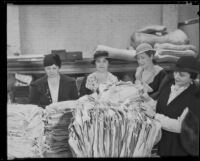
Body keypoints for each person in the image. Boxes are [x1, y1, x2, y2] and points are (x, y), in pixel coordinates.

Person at [143, 56, 200, 156]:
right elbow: (162, 107)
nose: (176, 77)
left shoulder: (195, 97)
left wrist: (154, 116)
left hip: (180, 148)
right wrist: (148, 100)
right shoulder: (168, 85)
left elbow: (181, 126)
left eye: (182, 75)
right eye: (175, 72)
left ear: (192, 77)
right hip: (164, 142)